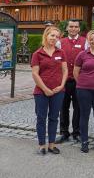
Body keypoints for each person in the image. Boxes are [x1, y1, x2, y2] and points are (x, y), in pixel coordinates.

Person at [31, 26, 68, 155]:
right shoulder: (37, 54)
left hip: (58, 91)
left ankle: (51, 144)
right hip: (41, 92)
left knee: (54, 117)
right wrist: (45, 89)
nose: (54, 38)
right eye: (52, 35)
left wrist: (62, 85)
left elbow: (65, 71)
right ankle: (42, 144)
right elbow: (35, 74)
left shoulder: (61, 53)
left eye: (57, 36)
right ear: (46, 35)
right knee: (41, 118)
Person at [56, 19, 85, 144]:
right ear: (67, 28)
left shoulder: (85, 41)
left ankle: (77, 132)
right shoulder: (60, 42)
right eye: (71, 26)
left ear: (79, 29)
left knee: (78, 108)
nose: (73, 29)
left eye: (76, 27)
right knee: (63, 107)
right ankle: (64, 132)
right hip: (64, 80)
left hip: (79, 81)